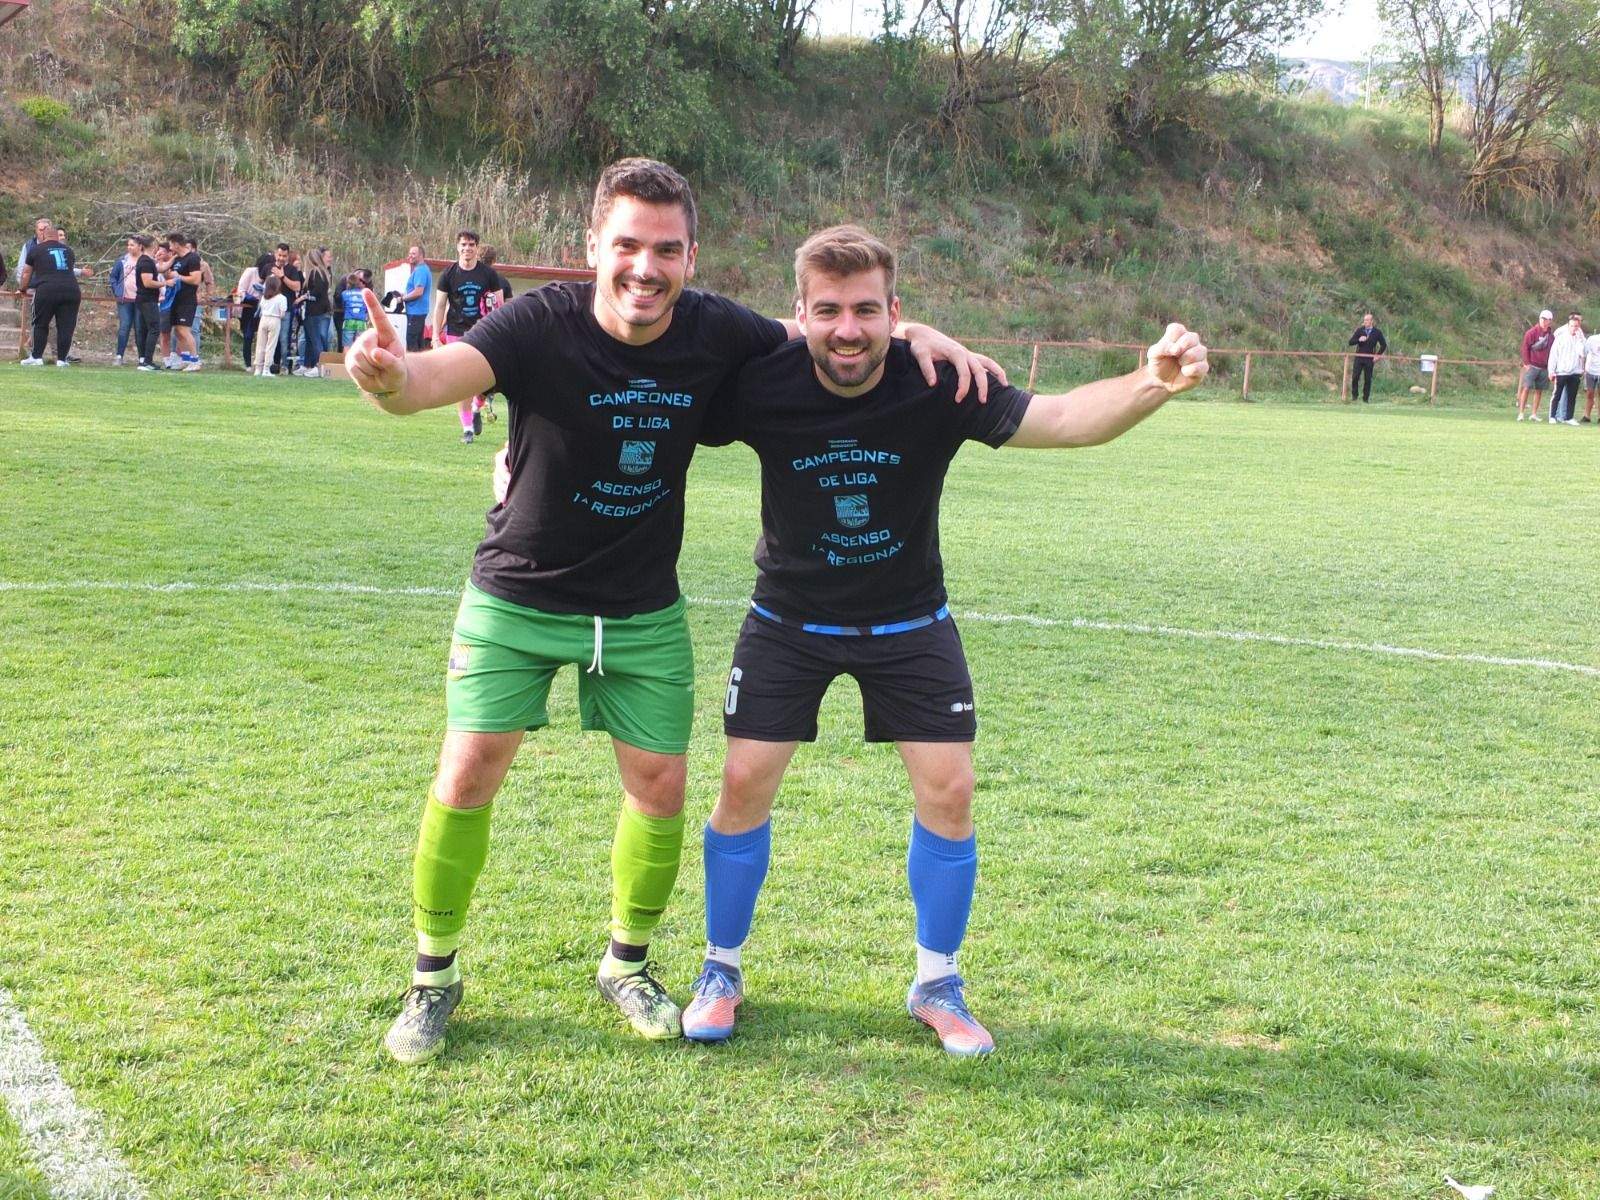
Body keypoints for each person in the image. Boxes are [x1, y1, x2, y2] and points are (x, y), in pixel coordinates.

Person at [343, 156, 1001, 1065]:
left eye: (665, 250)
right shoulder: (536, 322)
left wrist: (915, 329)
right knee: (466, 775)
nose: (644, 268)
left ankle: (629, 964)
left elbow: (831, 330)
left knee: (660, 789)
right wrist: (386, 376)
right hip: (518, 593)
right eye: (626, 246)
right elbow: (430, 380)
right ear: (592, 249)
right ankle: (432, 979)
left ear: (691, 256)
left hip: (643, 607)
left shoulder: (717, 329)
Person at [669, 226, 1209, 1056]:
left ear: (896, 311)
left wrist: (1152, 383)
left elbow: (1062, 419)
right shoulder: (760, 381)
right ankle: (721, 970)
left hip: (910, 622)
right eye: (827, 311)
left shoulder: (938, 378)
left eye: (865, 310)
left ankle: (937, 981)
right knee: (742, 782)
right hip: (787, 620)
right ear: (799, 314)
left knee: (950, 791)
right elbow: (655, 394)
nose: (847, 329)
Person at [432, 231, 499, 442]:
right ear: (457, 247)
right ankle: (467, 429)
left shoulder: (488, 274)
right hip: (455, 333)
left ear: (477, 248)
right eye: (463, 244)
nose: (467, 248)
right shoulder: (448, 274)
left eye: (471, 245)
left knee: (486, 383)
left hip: (482, 332)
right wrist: (435, 336)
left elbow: (499, 305)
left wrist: (501, 331)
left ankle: (477, 405)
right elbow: (440, 306)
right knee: (462, 382)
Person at [18, 227, 90, 366]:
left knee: (40, 323)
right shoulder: (69, 251)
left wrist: (22, 288)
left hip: (47, 289)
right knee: (66, 326)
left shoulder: (36, 250)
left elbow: (26, 272)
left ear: (44, 236)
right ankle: (62, 360)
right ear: (57, 237)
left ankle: (36, 357)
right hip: (71, 290)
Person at [166, 233, 204, 371]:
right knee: (177, 331)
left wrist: (179, 277)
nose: (169, 247)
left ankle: (195, 360)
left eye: (170, 244)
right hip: (175, 298)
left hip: (187, 299)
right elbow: (170, 273)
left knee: (185, 330)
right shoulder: (176, 259)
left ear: (176, 244)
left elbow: (196, 279)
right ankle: (185, 359)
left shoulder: (193, 258)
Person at [297, 247, 335, 377]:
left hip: (315, 310)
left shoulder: (315, 273)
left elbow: (317, 292)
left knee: (315, 339)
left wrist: (304, 296)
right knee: (309, 338)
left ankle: (319, 366)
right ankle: (307, 364)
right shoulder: (323, 273)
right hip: (314, 310)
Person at [131, 235, 164, 371]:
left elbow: (160, 269)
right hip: (147, 300)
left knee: (146, 329)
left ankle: (144, 360)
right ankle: (147, 361)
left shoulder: (148, 261)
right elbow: (147, 282)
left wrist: (172, 259)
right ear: (152, 245)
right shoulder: (145, 262)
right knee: (154, 328)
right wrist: (165, 283)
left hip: (145, 300)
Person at [1548, 311, 1585, 426]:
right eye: (1572, 326)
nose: (1574, 328)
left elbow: (1582, 354)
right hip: (1562, 371)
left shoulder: (1580, 339)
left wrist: (1582, 368)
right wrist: (1551, 370)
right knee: (1557, 395)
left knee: (1572, 396)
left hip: (1575, 372)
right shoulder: (1560, 338)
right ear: (1568, 326)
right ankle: (1552, 416)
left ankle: (1569, 417)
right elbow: (1553, 355)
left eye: (1576, 326)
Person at [110, 237, 143, 365]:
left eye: (132, 245)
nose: (129, 247)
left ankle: (142, 358)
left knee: (140, 328)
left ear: (140, 246)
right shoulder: (122, 261)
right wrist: (117, 291)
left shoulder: (145, 260)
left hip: (140, 299)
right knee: (124, 327)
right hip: (124, 299)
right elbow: (113, 277)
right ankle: (119, 356)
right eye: (128, 245)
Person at [1517, 310, 1554, 421]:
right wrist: (1527, 363)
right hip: (1532, 365)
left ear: (1550, 321)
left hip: (1544, 367)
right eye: (1542, 318)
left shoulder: (1551, 337)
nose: (1543, 321)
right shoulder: (1531, 332)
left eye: (1546, 319)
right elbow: (1524, 348)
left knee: (1539, 390)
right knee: (1526, 388)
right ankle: (1521, 413)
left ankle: (1534, 413)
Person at [252, 276, 288, 377]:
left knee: (260, 344)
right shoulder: (282, 298)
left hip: (263, 319)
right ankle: (266, 369)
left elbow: (261, 308)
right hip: (275, 319)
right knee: (270, 345)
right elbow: (282, 314)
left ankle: (258, 368)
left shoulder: (264, 297)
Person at [1346, 311, 1386, 403]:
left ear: (1372, 321)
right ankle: (1354, 397)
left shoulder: (1377, 332)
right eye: (1364, 320)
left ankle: (1365, 399)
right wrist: (1358, 339)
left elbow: (1383, 345)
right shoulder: (1360, 330)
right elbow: (1350, 342)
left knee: (1368, 379)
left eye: (1367, 320)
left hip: (1369, 358)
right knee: (1355, 377)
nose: (1365, 322)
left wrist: (1377, 355)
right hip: (1359, 357)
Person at [402, 244, 432, 352]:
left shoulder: (420, 270)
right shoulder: (422, 269)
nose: (410, 256)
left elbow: (419, 292)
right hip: (418, 312)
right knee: (419, 342)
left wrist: (402, 299)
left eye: (413, 254)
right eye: (409, 253)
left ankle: (413, 367)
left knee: (411, 342)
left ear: (421, 256)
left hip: (416, 312)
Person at [236, 261, 265, 368]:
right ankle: (247, 363)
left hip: (264, 307)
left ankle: (262, 363)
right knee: (248, 335)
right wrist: (252, 299)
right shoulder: (250, 272)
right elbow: (241, 291)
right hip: (249, 307)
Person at [339, 272, 370, 351]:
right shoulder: (364, 293)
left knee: (347, 345)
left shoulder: (344, 294)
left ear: (348, 283)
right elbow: (367, 308)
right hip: (361, 322)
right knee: (359, 346)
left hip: (349, 321)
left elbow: (343, 305)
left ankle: (346, 362)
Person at [1581, 321, 1600, 424]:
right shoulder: (1592, 339)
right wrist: (1583, 368)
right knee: (1590, 393)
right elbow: (1584, 353)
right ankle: (1586, 416)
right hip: (1591, 371)